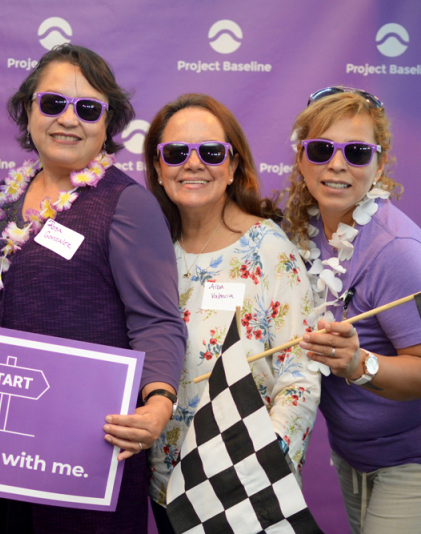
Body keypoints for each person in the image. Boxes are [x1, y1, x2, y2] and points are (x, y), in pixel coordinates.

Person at [0, 43, 185, 533]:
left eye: (88, 108)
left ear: (109, 124)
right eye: (53, 103)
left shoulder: (126, 204)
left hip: (87, 454)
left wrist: (158, 404)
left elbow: (157, 320)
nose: (68, 119)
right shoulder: (2, 203)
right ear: (29, 111)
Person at [143, 93, 320, 534]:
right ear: (158, 168)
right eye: (177, 152)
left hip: (245, 489)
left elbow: (300, 372)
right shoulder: (148, 253)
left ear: (233, 165)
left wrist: (263, 461)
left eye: (210, 151)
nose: (193, 163)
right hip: (167, 489)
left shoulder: (269, 249)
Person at [283, 86, 421, 534]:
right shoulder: (306, 227)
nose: (337, 165)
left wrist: (361, 365)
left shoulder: (401, 251)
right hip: (355, 454)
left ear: (379, 164)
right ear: (301, 158)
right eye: (321, 149)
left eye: (357, 152)